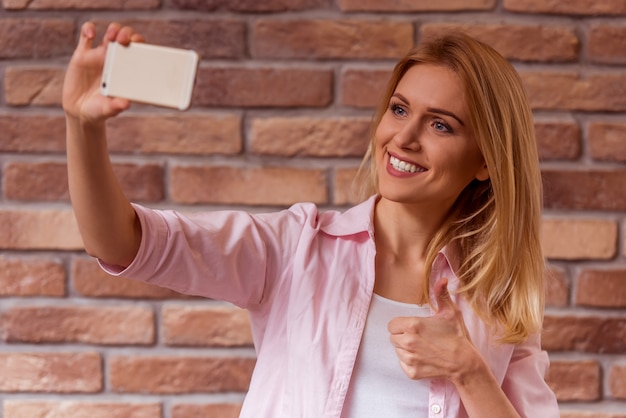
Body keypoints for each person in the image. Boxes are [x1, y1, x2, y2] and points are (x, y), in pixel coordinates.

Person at [63, 21, 560, 418]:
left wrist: (467, 370)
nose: (403, 138)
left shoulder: (500, 296)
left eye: (439, 125)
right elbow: (123, 243)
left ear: (486, 161)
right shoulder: (294, 248)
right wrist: (83, 127)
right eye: (399, 109)